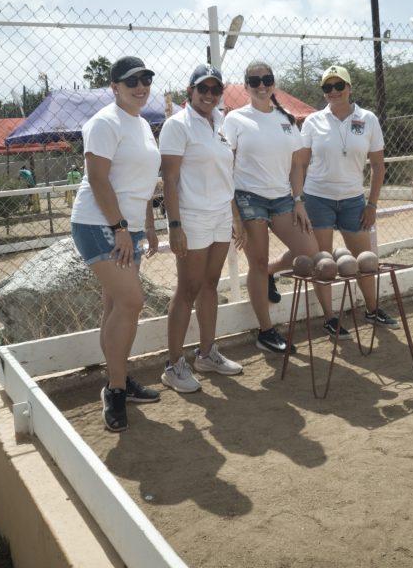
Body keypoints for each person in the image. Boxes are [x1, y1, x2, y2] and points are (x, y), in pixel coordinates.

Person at [70, 56, 161, 432]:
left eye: (145, 79)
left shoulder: (140, 124)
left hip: (129, 226)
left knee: (115, 306)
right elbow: (98, 180)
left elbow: (142, 180)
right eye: (131, 81)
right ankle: (116, 389)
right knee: (131, 301)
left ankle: (119, 377)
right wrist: (121, 227)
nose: (140, 87)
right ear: (114, 86)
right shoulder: (104, 122)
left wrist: (148, 225)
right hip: (99, 223)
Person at [223, 60, 331, 354]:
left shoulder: (285, 119)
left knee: (311, 254)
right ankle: (266, 331)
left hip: (283, 198)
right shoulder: (234, 120)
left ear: (273, 83)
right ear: (245, 86)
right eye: (254, 81)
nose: (261, 86)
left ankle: (273, 271)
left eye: (266, 79)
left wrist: (299, 201)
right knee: (256, 263)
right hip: (249, 199)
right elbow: (226, 166)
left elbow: (297, 163)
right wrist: (235, 215)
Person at [295, 65, 398, 339]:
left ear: (349, 88)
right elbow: (301, 163)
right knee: (324, 264)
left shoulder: (368, 119)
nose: (333, 92)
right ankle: (330, 318)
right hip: (318, 198)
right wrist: (299, 200)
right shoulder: (313, 121)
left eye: (339, 85)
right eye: (327, 87)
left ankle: (372, 309)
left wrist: (372, 204)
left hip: (354, 200)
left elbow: (377, 165)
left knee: (365, 261)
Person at [158, 64, 243, 393]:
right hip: (192, 217)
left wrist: (235, 216)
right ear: (190, 91)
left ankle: (207, 353)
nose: (209, 95)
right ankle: (173, 365)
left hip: (221, 214)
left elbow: (227, 175)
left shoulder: (221, 122)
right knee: (188, 288)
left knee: (210, 284)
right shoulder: (177, 125)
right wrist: (174, 224)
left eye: (215, 89)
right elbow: (170, 179)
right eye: (202, 88)